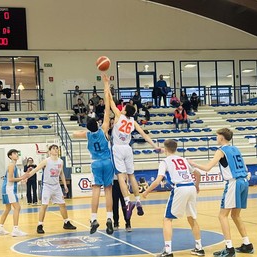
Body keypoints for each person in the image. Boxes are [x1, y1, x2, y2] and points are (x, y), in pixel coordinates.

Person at [188, 128, 254, 257]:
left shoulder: (221, 151)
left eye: (217, 136)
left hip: (233, 183)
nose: (216, 138)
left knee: (222, 216)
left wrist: (193, 164)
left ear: (222, 137)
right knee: (236, 215)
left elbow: (207, 168)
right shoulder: (236, 149)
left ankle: (229, 248)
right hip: (244, 181)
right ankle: (247, 244)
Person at [107, 75, 161, 219]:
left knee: (121, 177)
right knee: (131, 176)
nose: (122, 107)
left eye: (124, 107)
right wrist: (155, 146)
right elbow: (145, 135)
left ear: (124, 111)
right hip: (128, 149)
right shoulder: (133, 122)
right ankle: (138, 201)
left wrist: (106, 85)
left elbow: (111, 101)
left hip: (117, 148)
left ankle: (127, 201)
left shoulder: (119, 116)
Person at [143, 139, 204, 257]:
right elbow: (198, 174)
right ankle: (199, 248)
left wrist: (147, 191)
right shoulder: (183, 159)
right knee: (192, 218)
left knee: (167, 219)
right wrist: (196, 186)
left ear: (165, 149)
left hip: (180, 188)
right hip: (191, 187)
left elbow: (158, 180)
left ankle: (168, 251)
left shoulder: (165, 161)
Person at [73, 75, 114, 234]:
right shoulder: (103, 129)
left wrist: (83, 130)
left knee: (96, 190)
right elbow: (108, 109)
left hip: (96, 163)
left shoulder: (87, 134)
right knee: (108, 190)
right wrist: (106, 85)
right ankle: (109, 218)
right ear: (97, 124)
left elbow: (76, 133)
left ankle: (94, 218)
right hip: (107, 162)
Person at [27, 145, 77, 234]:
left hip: (57, 186)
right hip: (47, 186)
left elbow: (61, 173)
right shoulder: (46, 161)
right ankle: (40, 225)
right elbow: (35, 170)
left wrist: (65, 185)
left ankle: (66, 222)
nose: (56, 150)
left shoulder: (61, 161)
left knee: (63, 205)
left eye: (57, 148)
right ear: (49, 151)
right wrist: (25, 177)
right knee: (44, 205)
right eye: (53, 148)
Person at [0, 149, 29, 237]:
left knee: (7, 209)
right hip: (8, 189)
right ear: (10, 156)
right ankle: (15, 229)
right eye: (14, 153)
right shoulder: (11, 165)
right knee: (17, 207)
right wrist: (22, 178)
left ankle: (0, 228)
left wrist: (25, 176)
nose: (17, 155)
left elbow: (17, 179)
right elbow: (10, 179)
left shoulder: (15, 166)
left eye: (17, 153)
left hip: (8, 188)